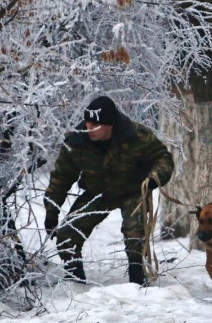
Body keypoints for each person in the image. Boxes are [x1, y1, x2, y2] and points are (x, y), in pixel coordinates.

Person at [43, 96, 174, 285]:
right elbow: (61, 177)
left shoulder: (138, 136)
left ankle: (137, 281)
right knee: (67, 234)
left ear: (110, 125)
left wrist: (154, 178)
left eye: (95, 125)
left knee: (135, 234)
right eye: (87, 123)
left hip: (132, 190)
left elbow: (163, 158)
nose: (89, 128)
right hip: (97, 193)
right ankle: (75, 281)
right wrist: (51, 211)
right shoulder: (76, 141)